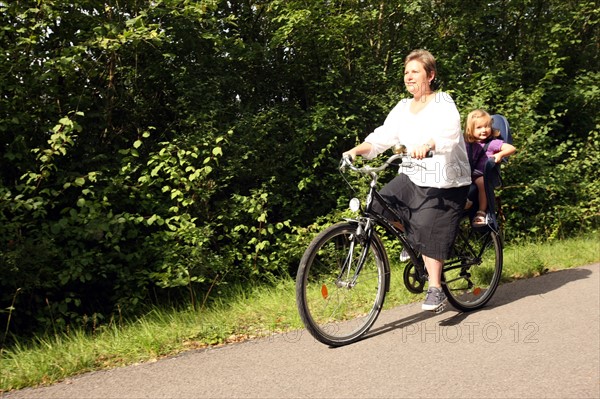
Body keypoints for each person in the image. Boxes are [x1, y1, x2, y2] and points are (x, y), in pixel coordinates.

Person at [343, 49, 471, 312]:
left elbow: (449, 133)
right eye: (406, 72)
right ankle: (415, 241)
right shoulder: (402, 107)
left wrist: (428, 144)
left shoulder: (443, 102)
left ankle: (436, 288)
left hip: (444, 180)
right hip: (413, 175)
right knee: (378, 206)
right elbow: (382, 137)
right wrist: (357, 150)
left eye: (415, 72)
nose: (408, 77)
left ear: (431, 75)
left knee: (426, 224)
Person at [464, 109, 516, 226]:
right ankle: (462, 201)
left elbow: (511, 148)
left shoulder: (492, 143)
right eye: (479, 127)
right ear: (470, 129)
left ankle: (481, 212)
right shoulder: (465, 143)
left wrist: (500, 154)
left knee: (481, 183)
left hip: (483, 174)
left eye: (487, 126)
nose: (484, 130)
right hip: (466, 174)